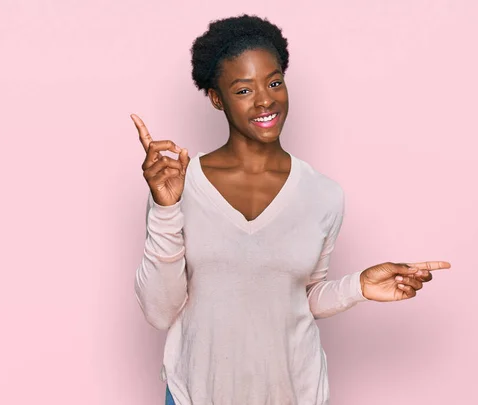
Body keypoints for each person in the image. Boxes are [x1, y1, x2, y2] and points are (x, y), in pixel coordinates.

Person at [132, 14, 451, 405]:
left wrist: (359, 287)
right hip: (196, 394)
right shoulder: (180, 183)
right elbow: (160, 312)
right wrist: (166, 208)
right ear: (217, 98)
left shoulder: (323, 194)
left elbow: (297, 296)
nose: (265, 100)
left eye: (274, 82)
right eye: (244, 90)